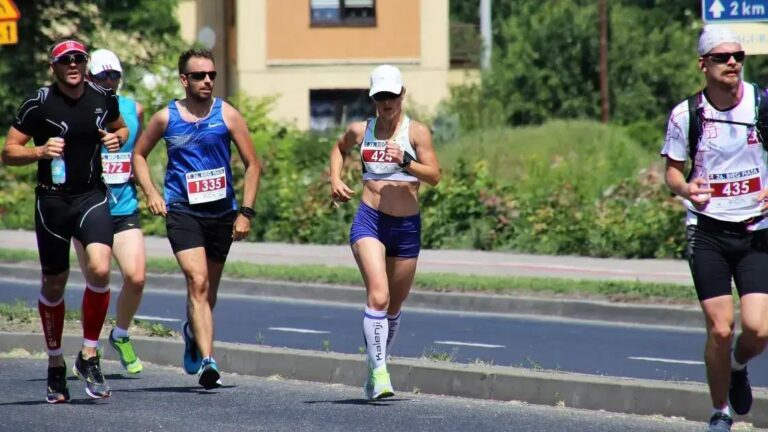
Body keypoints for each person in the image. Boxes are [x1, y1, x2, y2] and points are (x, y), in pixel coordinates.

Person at [0, 39, 129, 402]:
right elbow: (8, 152)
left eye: (79, 59)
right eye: (65, 60)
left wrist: (115, 138)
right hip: (53, 201)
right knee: (55, 284)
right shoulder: (38, 104)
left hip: (91, 195)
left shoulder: (101, 97)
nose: (73, 64)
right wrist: (38, 151)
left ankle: (89, 354)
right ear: (52, 66)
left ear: (86, 64)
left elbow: (121, 129)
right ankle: (55, 362)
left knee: (100, 270)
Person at [132, 48, 261, 390]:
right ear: (184, 80)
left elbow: (253, 165)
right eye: (200, 76)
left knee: (208, 292)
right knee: (198, 282)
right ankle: (208, 361)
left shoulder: (227, 114)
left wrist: (245, 212)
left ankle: (192, 331)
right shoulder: (165, 118)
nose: (208, 81)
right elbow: (139, 156)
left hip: (221, 213)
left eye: (212, 76)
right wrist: (151, 193)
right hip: (183, 210)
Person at [662, 26, 768, 432]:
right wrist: (686, 188)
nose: (733, 63)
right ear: (703, 65)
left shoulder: (760, 104)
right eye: (723, 57)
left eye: (738, 56)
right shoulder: (687, 115)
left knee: (758, 330)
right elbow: (671, 172)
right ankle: (720, 410)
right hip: (707, 231)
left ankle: (738, 367)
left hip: (756, 229)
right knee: (721, 328)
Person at [329, 64, 440, 400]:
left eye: (392, 95)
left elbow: (434, 175)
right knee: (378, 296)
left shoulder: (416, 133)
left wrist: (405, 161)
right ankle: (380, 374)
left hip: (406, 226)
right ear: (373, 97)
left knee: (393, 305)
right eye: (380, 96)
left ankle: (375, 365)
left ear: (402, 94)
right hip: (370, 220)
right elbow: (338, 148)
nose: (387, 102)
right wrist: (335, 179)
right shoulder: (361, 130)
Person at [71, 48, 147, 374]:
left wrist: (147, 185)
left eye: (114, 75)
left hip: (124, 205)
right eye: (103, 76)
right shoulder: (76, 109)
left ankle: (121, 334)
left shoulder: (133, 109)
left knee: (137, 277)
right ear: (89, 77)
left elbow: (137, 150)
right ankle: (90, 351)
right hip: (87, 206)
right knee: (97, 283)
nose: (110, 81)